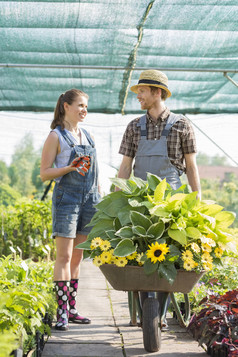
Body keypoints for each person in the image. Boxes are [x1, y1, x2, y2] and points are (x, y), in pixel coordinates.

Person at [117, 69, 201, 329]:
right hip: (139, 203)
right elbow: (125, 166)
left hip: (171, 205)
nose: (138, 96)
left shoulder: (181, 124)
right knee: (142, 257)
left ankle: (158, 315)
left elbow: (191, 166)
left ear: (157, 92)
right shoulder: (134, 126)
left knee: (167, 257)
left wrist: (197, 201)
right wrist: (117, 201)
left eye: (142, 91)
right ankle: (149, 314)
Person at [40, 89, 101, 331]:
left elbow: (94, 174)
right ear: (66, 106)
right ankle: (61, 312)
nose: (84, 110)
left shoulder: (88, 135)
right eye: (80, 105)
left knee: (78, 257)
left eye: (86, 106)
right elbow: (45, 173)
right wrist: (69, 168)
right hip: (67, 199)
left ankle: (72, 309)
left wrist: (99, 196)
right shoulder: (56, 136)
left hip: (89, 199)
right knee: (64, 256)